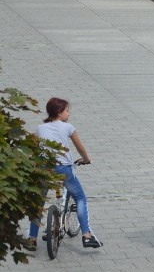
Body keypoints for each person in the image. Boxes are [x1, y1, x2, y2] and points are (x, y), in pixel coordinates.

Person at [26, 98, 104, 251]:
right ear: (59, 112)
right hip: (63, 169)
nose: (69, 114)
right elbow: (80, 149)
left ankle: (31, 238)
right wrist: (86, 159)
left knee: (38, 202)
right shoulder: (68, 127)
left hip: (43, 169)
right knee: (80, 197)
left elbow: (33, 150)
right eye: (67, 111)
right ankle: (87, 235)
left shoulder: (40, 128)